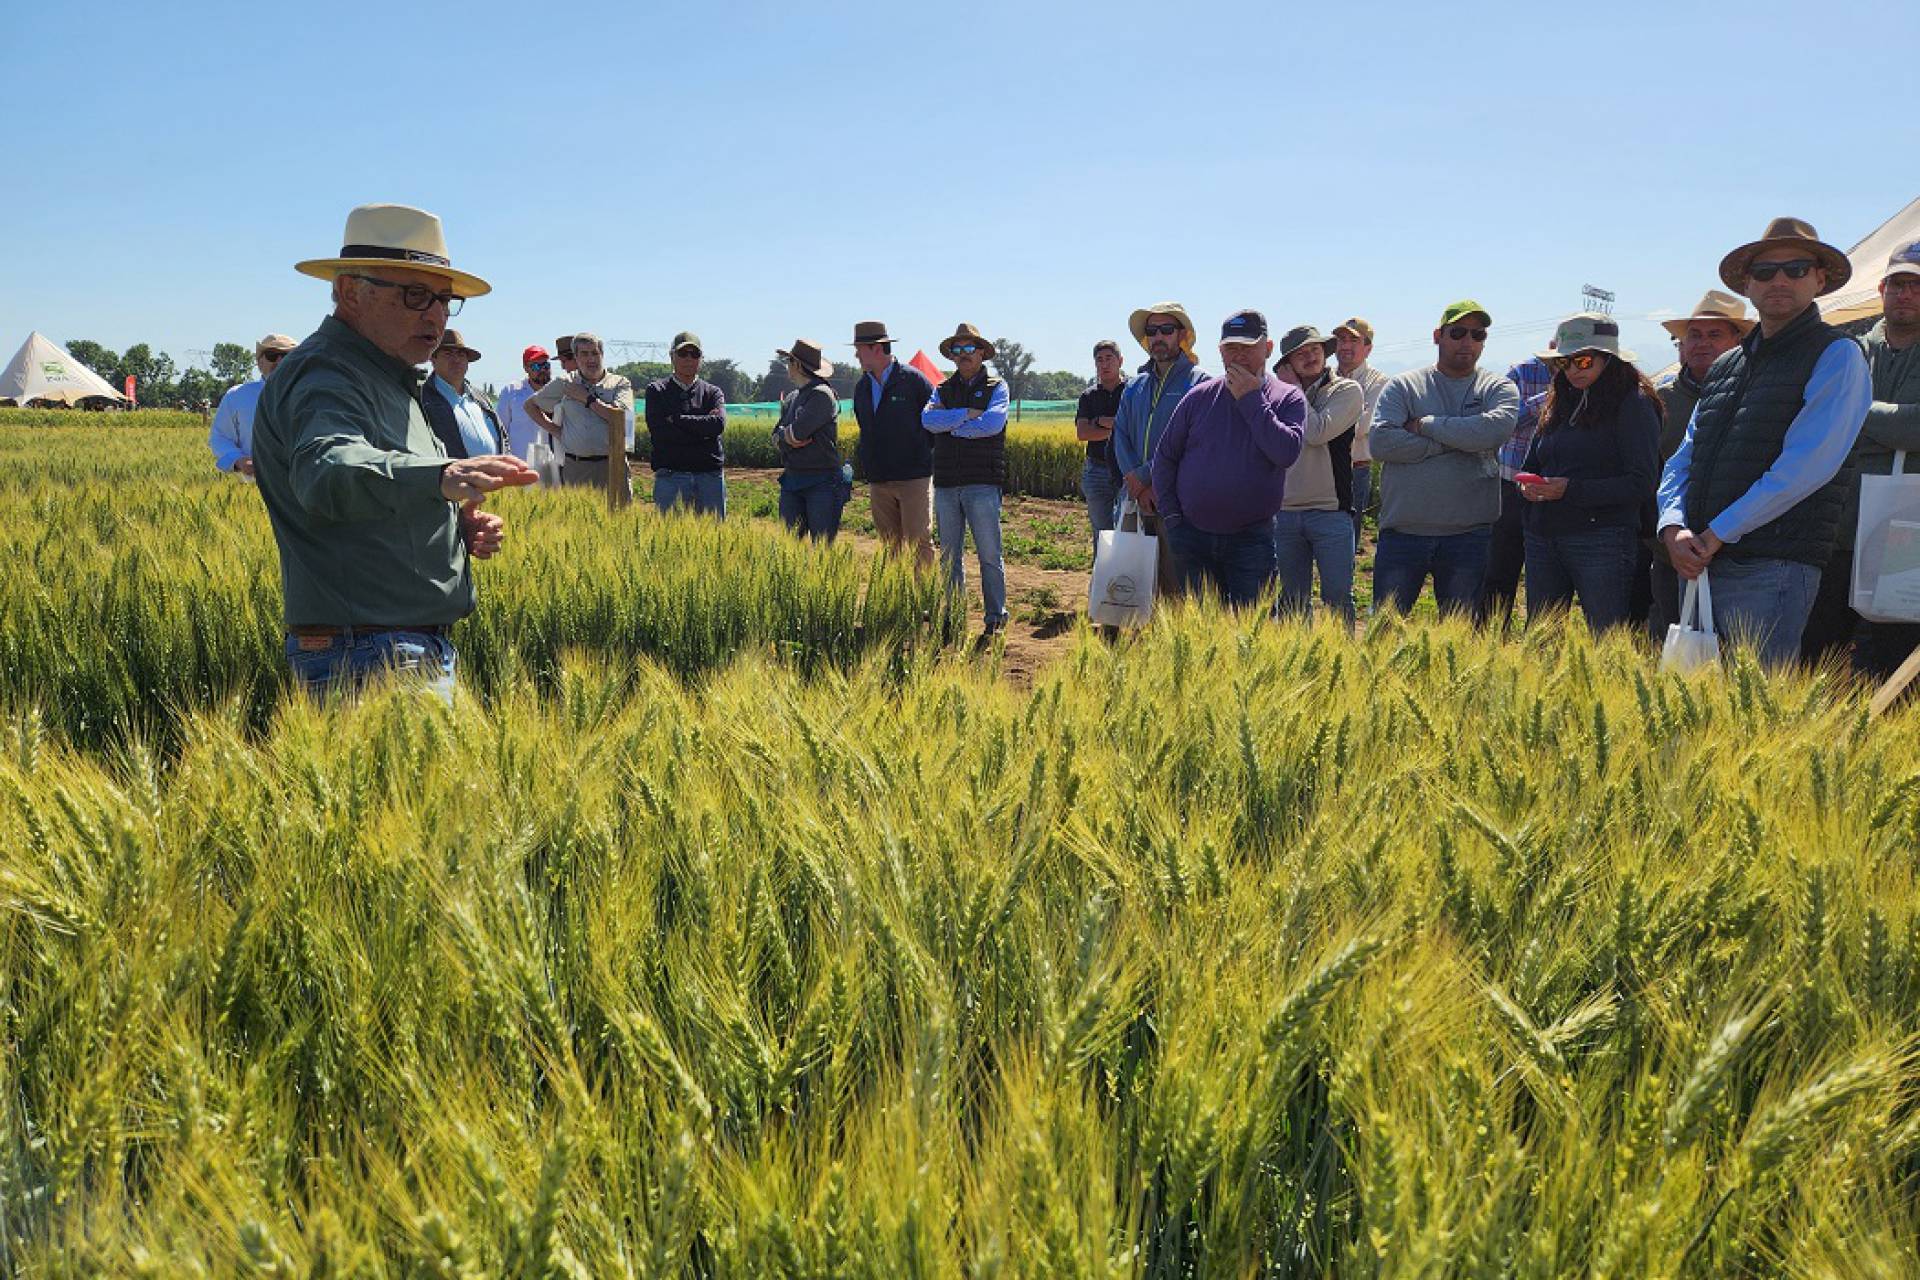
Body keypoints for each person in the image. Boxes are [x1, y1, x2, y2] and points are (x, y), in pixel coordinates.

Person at [252, 202, 536, 698]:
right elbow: (328, 470)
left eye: (445, 300)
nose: (436, 315)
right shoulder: (327, 374)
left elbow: (375, 495)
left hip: (389, 648)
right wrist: (438, 478)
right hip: (370, 654)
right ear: (349, 292)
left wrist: (449, 528)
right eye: (415, 295)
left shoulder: (385, 374)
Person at [1657, 218, 1872, 667]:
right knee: (1695, 709)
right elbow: (1685, 456)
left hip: (1773, 565)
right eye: (1765, 271)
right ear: (1748, 285)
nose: (1779, 280)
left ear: (1819, 279)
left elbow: (1808, 466)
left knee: (1752, 715)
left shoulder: (1838, 354)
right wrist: (1673, 526)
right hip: (1699, 559)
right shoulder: (1726, 365)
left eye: (1796, 268)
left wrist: (1716, 532)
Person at [1369, 301, 1521, 619]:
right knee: (1382, 634)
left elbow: (1494, 431)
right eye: (1458, 332)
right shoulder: (1403, 386)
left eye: (1477, 334)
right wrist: (1455, 442)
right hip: (1404, 532)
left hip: (1469, 535)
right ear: (1438, 336)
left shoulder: (1499, 387)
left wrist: (1425, 425)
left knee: (1460, 638)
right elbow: (1382, 443)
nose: (1468, 341)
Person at [1513, 314, 1663, 633]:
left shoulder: (1633, 404)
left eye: (1581, 361)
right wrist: (1529, 487)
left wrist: (1570, 490)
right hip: (1544, 535)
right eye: (1563, 363)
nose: (1571, 371)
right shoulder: (1559, 401)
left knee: (1606, 639)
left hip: (1602, 539)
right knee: (1541, 641)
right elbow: (1532, 464)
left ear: (1608, 359)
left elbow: (1642, 482)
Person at [1813, 240, 1920, 676]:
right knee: (1820, 655)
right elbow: (1820, 415)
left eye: (1916, 285)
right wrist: (1896, 429)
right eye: (1898, 284)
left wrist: (1857, 413)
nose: (1907, 294)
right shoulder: (1848, 349)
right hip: (1838, 529)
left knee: (1894, 660)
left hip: (1907, 535)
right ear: (1881, 288)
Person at [1152, 310, 1306, 608]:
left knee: (1252, 632)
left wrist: (1251, 399)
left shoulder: (1287, 398)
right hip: (1192, 537)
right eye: (1230, 348)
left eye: (1247, 347)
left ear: (1268, 349)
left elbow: (1285, 452)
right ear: (1220, 351)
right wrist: (1172, 519)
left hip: (1251, 539)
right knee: (1203, 633)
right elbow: (1165, 457)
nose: (1238, 356)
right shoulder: (1199, 397)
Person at [1648, 291, 1752, 637]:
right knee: (1675, 646)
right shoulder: (1661, 399)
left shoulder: (1755, 394)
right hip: (1670, 552)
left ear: (1738, 340)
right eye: (1694, 335)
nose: (1702, 344)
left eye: (1714, 335)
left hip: (1739, 552)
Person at [1112, 302, 1210, 596]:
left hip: (1177, 501)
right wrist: (1135, 481)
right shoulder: (1134, 386)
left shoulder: (1201, 383)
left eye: (1166, 329)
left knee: (1176, 585)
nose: (1158, 337)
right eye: (1151, 331)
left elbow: (1193, 442)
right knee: (1132, 583)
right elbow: (1120, 434)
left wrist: (1147, 477)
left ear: (1181, 334)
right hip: (1133, 498)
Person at [1271, 324, 1362, 623]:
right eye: (1301, 353)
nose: (1310, 356)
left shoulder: (1346, 390)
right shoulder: (1274, 396)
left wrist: (1294, 391)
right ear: (1288, 363)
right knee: (1293, 601)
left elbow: (1316, 432)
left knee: (1337, 597)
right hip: (1284, 511)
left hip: (1330, 511)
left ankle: (1344, 664)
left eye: (1315, 349)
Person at [923, 323, 1011, 633]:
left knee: (989, 554)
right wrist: (967, 414)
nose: (963, 355)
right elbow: (927, 420)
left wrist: (952, 423)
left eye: (968, 349)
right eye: (957, 350)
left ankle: (996, 617)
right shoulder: (942, 388)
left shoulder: (997, 386)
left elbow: (993, 423)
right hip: (946, 482)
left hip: (983, 482)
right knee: (950, 557)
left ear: (982, 352)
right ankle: (955, 617)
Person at [1477, 344, 1555, 630]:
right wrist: (1546, 400)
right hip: (1511, 485)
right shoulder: (1523, 372)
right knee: (1499, 567)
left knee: (1547, 576)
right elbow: (1501, 422)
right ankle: (1490, 635)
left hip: (1556, 492)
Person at [850, 320, 935, 567]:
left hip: (913, 479)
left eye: (859, 348)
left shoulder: (913, 381)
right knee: (890, 544)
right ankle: (896, 598)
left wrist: (916, 455)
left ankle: (922, 601)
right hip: (879, 480)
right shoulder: (862, 388)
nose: (856, 354)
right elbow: (865, 429)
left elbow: (933, 424)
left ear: (876, 348)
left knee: (919, 541)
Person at [525, 331, 633, 496]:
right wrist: (555, 430)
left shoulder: (619, 383)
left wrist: (587, 399)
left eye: (595, 353)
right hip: (576, 468)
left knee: (619, 519)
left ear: (602, 354)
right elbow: (530, 406)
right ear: (576, 357)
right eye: (584, 354)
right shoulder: (565, 383)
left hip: (613, 467)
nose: (591, 359)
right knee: (580, 520)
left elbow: (622, 420)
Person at [645, 332, 728, 516]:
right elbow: (661, 433)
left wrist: (676, 419)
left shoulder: (713, 392)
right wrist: (702, 430)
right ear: (671, 356)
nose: (688, 359)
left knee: (714, 539)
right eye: (683, 354)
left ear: (701, 359)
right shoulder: (657, 391)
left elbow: (717, 425)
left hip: (709, 478)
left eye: (694, 354)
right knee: (668, 540)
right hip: (671, 477)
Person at [772, 338, 847, 540]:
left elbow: (798, 433)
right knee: (788, 547)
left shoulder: (821, 394)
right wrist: (785, 437)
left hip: (821, 482)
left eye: (789, 362)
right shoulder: (792, 397)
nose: (787, 366)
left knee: (821, 548)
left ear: (797, 364)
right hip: (792, 479)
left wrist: (785, 436)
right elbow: (776, 436)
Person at [208, 334, 296, 478]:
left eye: (286, 355)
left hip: (301, 489)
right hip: (251, 487)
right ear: (260, 362)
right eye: (272, 355)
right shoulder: (237, 396)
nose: (279, 360)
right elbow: (219, 437)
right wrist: (239, 460)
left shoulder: (310, 396)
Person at [1333, 318, 1387, 547]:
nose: (1345, 345)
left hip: (1355, 469)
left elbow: (1362, 427)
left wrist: (1324, 424)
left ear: (1368, 348)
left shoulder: (1379, 382)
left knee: (1347, 535)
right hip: (1321, 466)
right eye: (1341, 339)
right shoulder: (1325, 376)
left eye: (1353, 340)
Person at [1074, 339, 1127, 543]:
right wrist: (1117, 427)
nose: (1104, 364)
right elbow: (1083, 433)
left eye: (1109, 359)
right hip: (1095, 470)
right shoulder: (1089, 396)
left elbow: (1135, 427)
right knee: (1101, 533)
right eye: (1099, 360)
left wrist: (1101, 422)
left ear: (1120, 361)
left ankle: (1125, 574)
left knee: (1127, 529)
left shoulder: (1132, 391)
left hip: (1126, 469)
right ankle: (1103, 575)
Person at [421, 330, 503, 459]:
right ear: (433, 359)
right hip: (453, 477)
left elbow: (503, 437)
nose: (456, 360)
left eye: (461, 354)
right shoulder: (423, 397)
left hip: (496, 476)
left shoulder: (481, 398)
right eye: (448, 354)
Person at [495, 345, 554, 463]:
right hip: (518, 466)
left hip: (552, 466)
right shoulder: (511, 391)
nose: (543, 370)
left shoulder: (559, 391)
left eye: (546, 365)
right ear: (526, 368)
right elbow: (500, 432)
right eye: (537, 366)